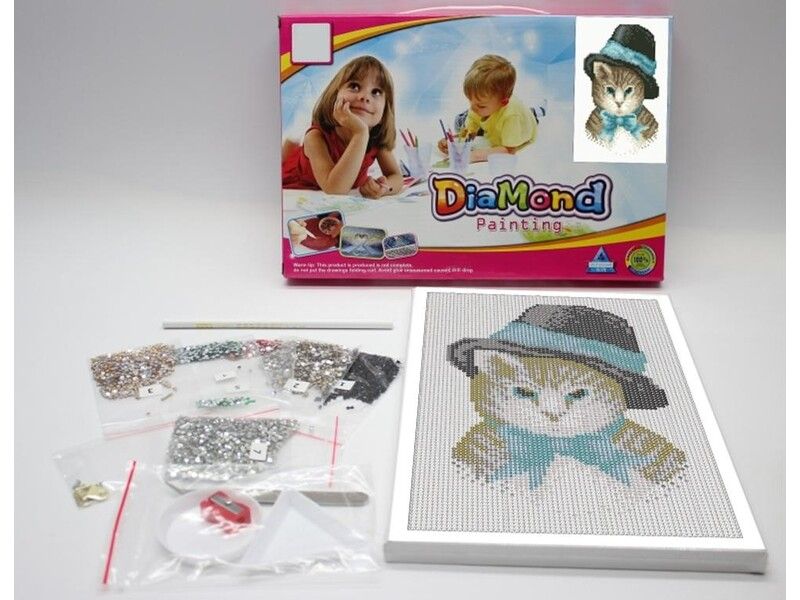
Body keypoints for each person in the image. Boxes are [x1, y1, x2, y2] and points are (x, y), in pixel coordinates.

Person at [282, 56, 403, 198]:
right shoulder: (315, 137)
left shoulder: (375, 140)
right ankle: (288, 148)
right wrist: (360, 133)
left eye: (376, 92)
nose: (365, 97)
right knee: (284, 156)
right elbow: (335, 189)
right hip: (293, 176)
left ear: (384, 112)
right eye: (354, 86)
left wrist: (384, 187)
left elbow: (396, 177)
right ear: (334, 97)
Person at [438, 54, 537, 162]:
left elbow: (509, 151)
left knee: (531, 115)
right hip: (493, 122)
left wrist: (474, 155)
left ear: (503, 102)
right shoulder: (479, 108)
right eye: (470, 101)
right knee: (460, 121)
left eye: (480, 105)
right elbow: (468, 133)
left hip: (525, 123)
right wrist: (453, 142)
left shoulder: (511, 117)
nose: (472, 108)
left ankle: (536, 111)